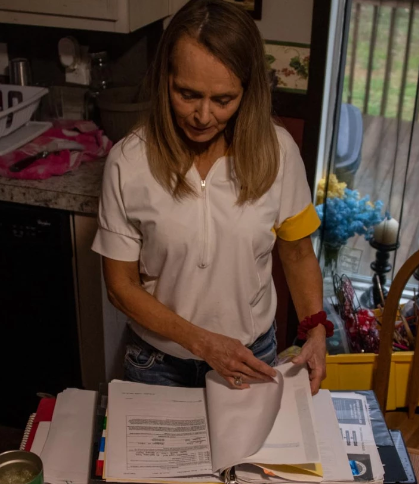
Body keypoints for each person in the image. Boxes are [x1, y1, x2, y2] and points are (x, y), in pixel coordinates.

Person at [92, 0, 330, 394]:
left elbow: (298, 253)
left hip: (254, 358)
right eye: (187, 94)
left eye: (223, 100)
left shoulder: (279, 152)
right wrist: (203, 342)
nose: (203, 116)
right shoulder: (128, 162)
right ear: (164, 78)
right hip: (158, 365)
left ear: (247, 91)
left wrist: (314, 325)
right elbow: (120, 286)